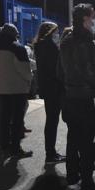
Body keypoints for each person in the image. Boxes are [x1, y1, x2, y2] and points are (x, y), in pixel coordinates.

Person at [58, 3, 95, 190]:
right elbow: (88, 72)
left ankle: (75, 180)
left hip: (71, 97)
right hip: (88, 98)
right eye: (93, 16)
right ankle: (88, 187)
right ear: (85, 19)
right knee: (91, 141)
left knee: (76, 139)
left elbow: (62, 71)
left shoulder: (66, 40)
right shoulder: (85, 41)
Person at [0, 23, 33, 158]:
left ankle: (4, 145)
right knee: (17, 120)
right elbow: (25, 71)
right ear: (14, 34)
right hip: (18, 89)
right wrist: (28, 80)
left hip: (1, 88)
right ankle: (16, 149)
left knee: (4, 118)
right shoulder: (18, 48)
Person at [34, 22, 66, 164]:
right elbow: (56, 68)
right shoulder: (49, 46)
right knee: (52, 121)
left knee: (51, 121)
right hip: (54, 88)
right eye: (56, 31)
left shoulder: (40, 45)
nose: (57, 34)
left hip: (48, 88)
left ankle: (50, 152)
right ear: (49, 32)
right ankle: (50, 154)